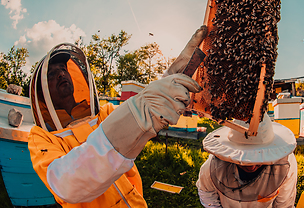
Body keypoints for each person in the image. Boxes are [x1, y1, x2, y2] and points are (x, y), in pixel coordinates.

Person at [28, 25, 207, 208]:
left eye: (63, 68)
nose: (61, 73)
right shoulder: (41, 137)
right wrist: (143, 109)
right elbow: (65, 184)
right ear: (41, 92)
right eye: (52, 73)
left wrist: (169, 79)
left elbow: (138, 108)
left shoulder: (104, 114)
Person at [196, 113, 298, 207]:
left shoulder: (286, 164)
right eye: (244, 161)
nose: (251, 166)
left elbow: (284, 204)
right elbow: (206, 191)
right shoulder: (214, 165)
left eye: (258, 159)